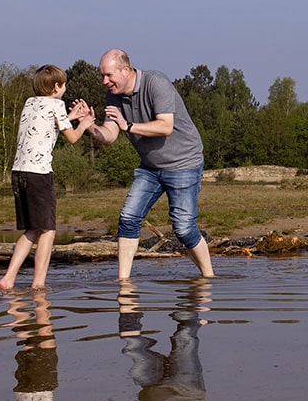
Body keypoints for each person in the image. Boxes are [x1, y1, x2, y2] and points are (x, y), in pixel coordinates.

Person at [85, 49, 214, 280]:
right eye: (102, 76)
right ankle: (123, 283)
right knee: (128, 219)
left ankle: (209, 279)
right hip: (150, 168)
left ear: (126, 70)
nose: (105, 81)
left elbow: (165, 126)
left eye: (109, 75)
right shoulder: (113, 95)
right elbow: (110, 135)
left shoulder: (157, 83)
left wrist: (130, 126)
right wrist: (88, 125)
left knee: (183, 229)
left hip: (183, 161)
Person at [0, 64, 96, 290]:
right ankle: (39, 284)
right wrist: (84, 123)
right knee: (48, 231)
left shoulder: (30, 103)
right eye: (63, 85)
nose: (64, 89)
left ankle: (8, 278)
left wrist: (70, 116)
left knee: (31, 230)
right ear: (55, 86)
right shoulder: (56, 104)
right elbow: (71, 138)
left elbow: (46, 124)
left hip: (19, 173)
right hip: (38, 174)